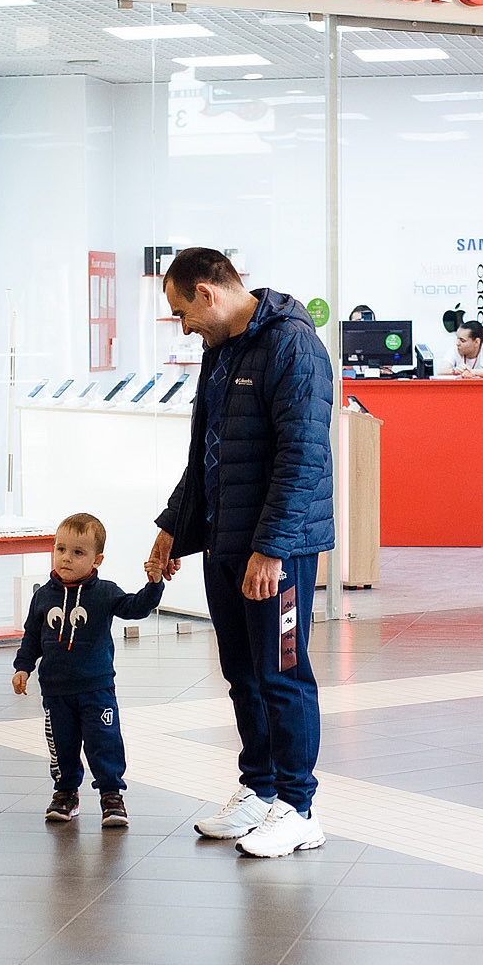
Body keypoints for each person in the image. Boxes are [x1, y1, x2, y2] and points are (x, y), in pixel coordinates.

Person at [148, 246, 334, 858]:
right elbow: (209, 451)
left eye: (182, 313)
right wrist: (173, 527)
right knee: (242, 675)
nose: (184, 327)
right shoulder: (221, 350)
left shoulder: (293, 345)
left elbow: (303, 456)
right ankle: (259, 789)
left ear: (207, 293)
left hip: (277, 550)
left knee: (282, 673)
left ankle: (298, 809)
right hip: (225, 542)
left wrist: (271, 549)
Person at [12, 512, 164, 828]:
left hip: (97, 689)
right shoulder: (43, 596)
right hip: (56, 691)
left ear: (97, 560)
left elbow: (135, 608)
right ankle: (66, 793)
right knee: (62, 746)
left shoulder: (105, 592)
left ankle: (111, 795)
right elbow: (32, 636)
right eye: (61, 549)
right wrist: (23, 667)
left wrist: (154, 585)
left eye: (78, 552)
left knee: (104, 742)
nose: (66, 558)